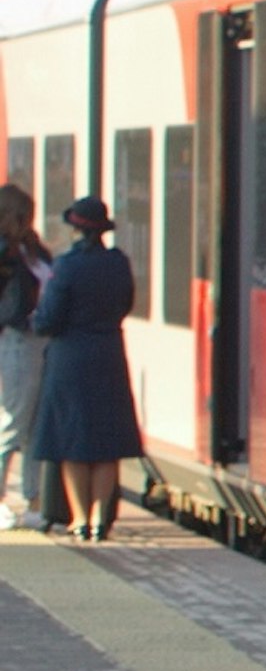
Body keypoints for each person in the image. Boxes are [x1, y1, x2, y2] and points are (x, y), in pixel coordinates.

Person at [30, 196, 142, 543]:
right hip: (109, 354)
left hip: (70, 359)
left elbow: (49, 317)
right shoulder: (118, 263)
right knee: (105, 443)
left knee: (72, 441)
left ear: (76, 228)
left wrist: (35, 321)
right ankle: (98, 519)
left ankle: (78, 518)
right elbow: (126, 304)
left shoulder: (66, 266)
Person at [0, 185, 49, 529]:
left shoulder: (33, 248)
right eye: (22, 215)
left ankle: (33, 499)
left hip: (41, 341)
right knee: (11, 421)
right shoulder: (5, 253)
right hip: (16, 339)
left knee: (34, 425)